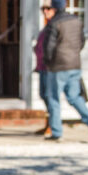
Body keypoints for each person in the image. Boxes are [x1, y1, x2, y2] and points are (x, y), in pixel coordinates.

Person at [43, 0, 88, 143]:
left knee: (54, 99)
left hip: (58, 66)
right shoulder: (76, 20)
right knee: (74, 97)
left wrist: (48, 62)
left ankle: (56, 132)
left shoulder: (55, 23)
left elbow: (49, 47)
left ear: (54, 5)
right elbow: (81, 42)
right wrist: (73, 55)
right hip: (75, 64)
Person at [33, 8, 52, 137]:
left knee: (49, 97)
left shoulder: (54, 26)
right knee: (43, 95)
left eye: (48, 9)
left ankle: (52, 125)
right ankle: (49, 123)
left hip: (50, 68)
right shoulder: (46, 27)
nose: (45, 11)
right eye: (43, 9)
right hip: (42, 67)